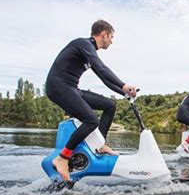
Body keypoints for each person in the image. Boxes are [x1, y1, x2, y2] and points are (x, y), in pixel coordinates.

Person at [46, 19, 137, 181]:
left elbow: (105, 79)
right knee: (91, 120)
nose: (112, 41)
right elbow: (102, 68)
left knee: (109, 105)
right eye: (111, 37)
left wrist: (125, 93)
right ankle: (63, 158)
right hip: (58, 87)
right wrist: (124, 85)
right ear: (104, 34)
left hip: (72, 88)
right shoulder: (84, 44)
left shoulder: (89, 51)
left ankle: (99, 145)